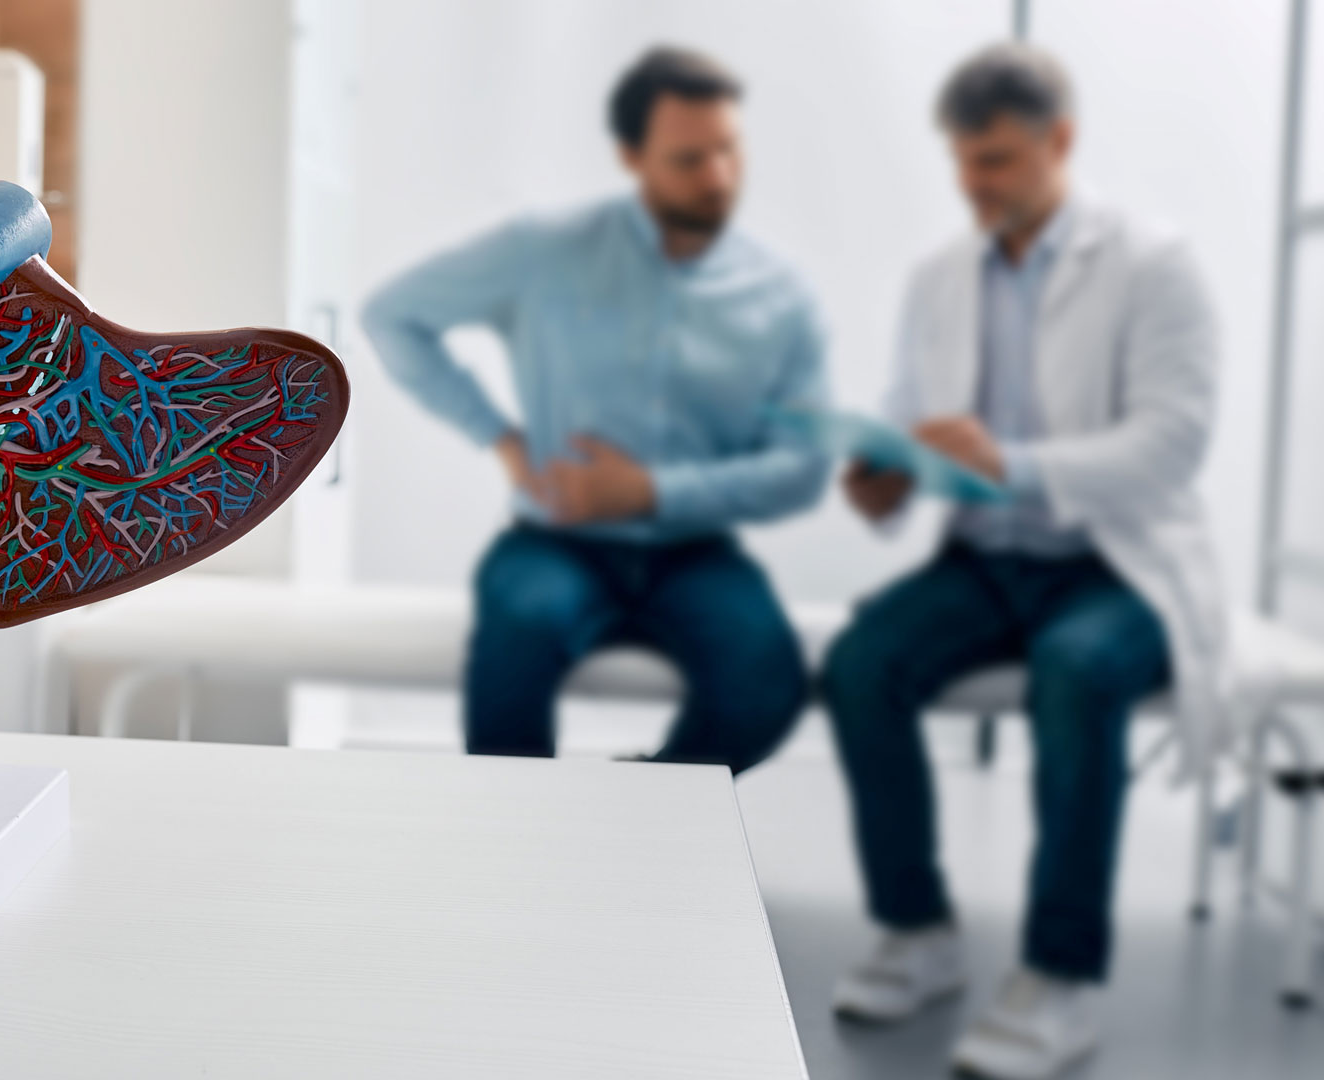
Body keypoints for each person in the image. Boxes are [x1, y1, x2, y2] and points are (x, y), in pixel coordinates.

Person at [820, 43, 1226, 1080]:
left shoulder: (1154, 262)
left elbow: (1172, 442)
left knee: (1078, 671)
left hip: (1116, 564)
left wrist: (1017, 462)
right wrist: (888, 477)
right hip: (984, 560)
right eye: (963, 162)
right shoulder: (939, 274)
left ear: (1063, 142)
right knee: (862, 662)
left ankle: (1062, 976)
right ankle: (918, 931)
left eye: (997, 161)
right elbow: (918, 416)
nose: (976, 185)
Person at [361, 47, 828, 771]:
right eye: (688, 159)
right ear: (631, 157)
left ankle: (629, 819)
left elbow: (803, 468)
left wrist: (651, 491)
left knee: (765, 684)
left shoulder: (782, 294)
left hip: (696, 553)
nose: (718, 179)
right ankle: (519, 857)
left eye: (730, 151)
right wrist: (499, 436)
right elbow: (394, 315)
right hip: (557, 541)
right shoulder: (546, 250)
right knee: (518, 633)